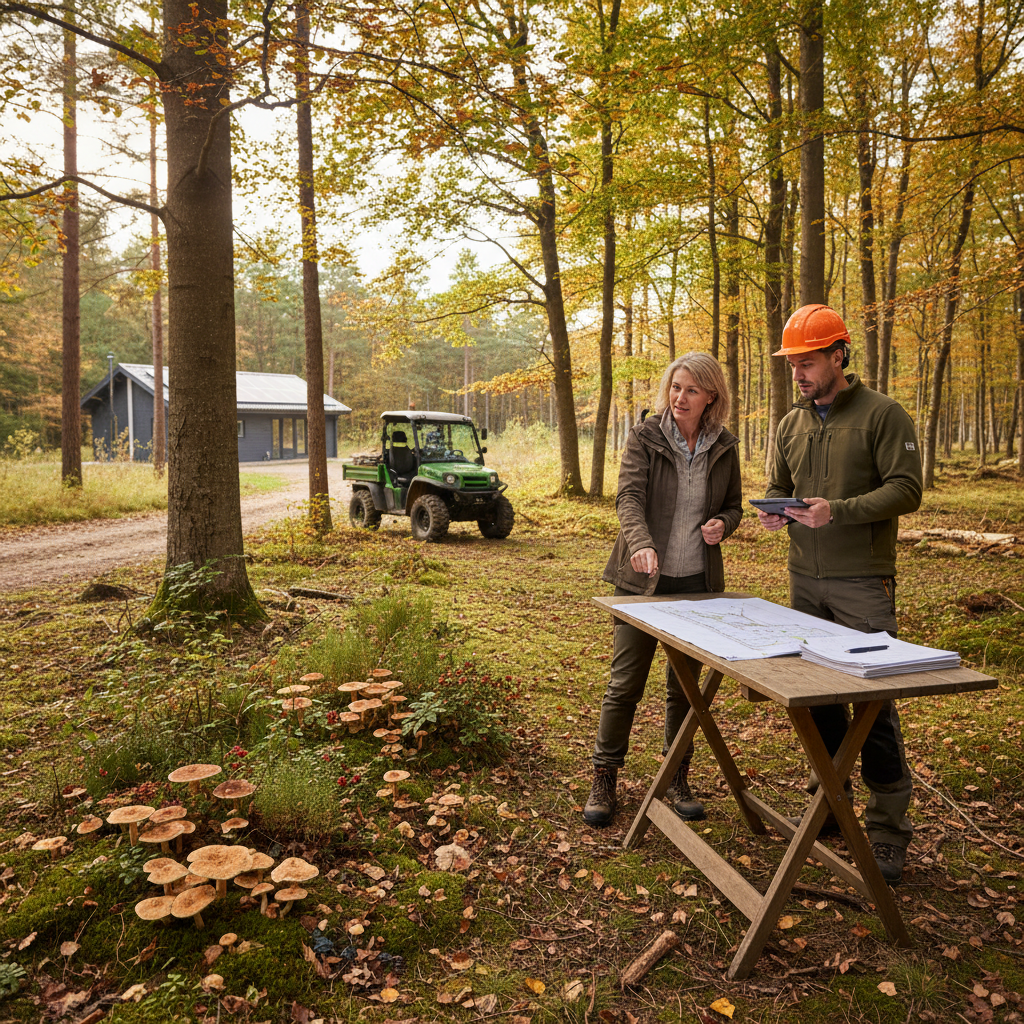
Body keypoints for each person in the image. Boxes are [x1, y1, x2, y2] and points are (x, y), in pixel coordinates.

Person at [756, 303, 923, 884]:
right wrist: (777, 512)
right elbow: (781, 486)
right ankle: (830, 801)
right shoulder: (789, 424)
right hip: (805, 581)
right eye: (791, 363)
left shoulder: (883, 415)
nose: (797, 373)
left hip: (863, 585)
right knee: (817, 701)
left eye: (807, 361)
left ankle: (887, 830)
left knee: (872, 704)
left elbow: (906, 490)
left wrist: (839, 512)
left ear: (838, 355)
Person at [584, 353, 743, 827]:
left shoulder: (724, 445)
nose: (680, 397)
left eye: (692, 389)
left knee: (685, 691)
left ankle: (677, 777)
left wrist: (722, 524)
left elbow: (733, 505)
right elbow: (628, 497)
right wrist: (641, 543)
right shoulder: (646, 436)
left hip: (695, 585)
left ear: (711, 396)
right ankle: (604, 777)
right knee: (625, 683)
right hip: (641, 583)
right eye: (676, 387)